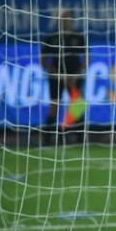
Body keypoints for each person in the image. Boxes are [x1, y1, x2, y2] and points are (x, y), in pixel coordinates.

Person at [41, 9, 87, 137]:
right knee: (55, 107)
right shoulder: (52, 38)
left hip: (75, 77)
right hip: (56, 77)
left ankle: (79, 138)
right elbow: (43, 60)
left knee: (77, 107)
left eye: (68, 18)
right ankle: (48, 139)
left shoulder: (79, 37)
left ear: (72, 21)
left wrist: (76, 75)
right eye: (63, 18)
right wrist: (58, 74)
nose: (66, 21)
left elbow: (87, 58)